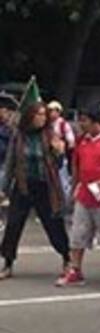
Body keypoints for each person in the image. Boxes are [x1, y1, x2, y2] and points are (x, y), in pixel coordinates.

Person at [56, 106, 100, 287]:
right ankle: (76, 270)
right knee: (78, 234)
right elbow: (76, 166)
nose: (81, 124)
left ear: (96, 122)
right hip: (84, 195)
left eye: (85, 120)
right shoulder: (82, 140)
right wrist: (74, 188)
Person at [0, 102, 70, 280]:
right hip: (23, 185)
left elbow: (58, 165)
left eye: (44, 115)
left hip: (45, 186)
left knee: (53, 224)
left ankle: (67, 258)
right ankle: (8, 263)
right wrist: (3, 188)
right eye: (38, 115)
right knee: (13, 224)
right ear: (30, 116)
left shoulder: (49, 135)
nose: (42, 118)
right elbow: (10, 162)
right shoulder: (19, 135)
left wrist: (59, 152)